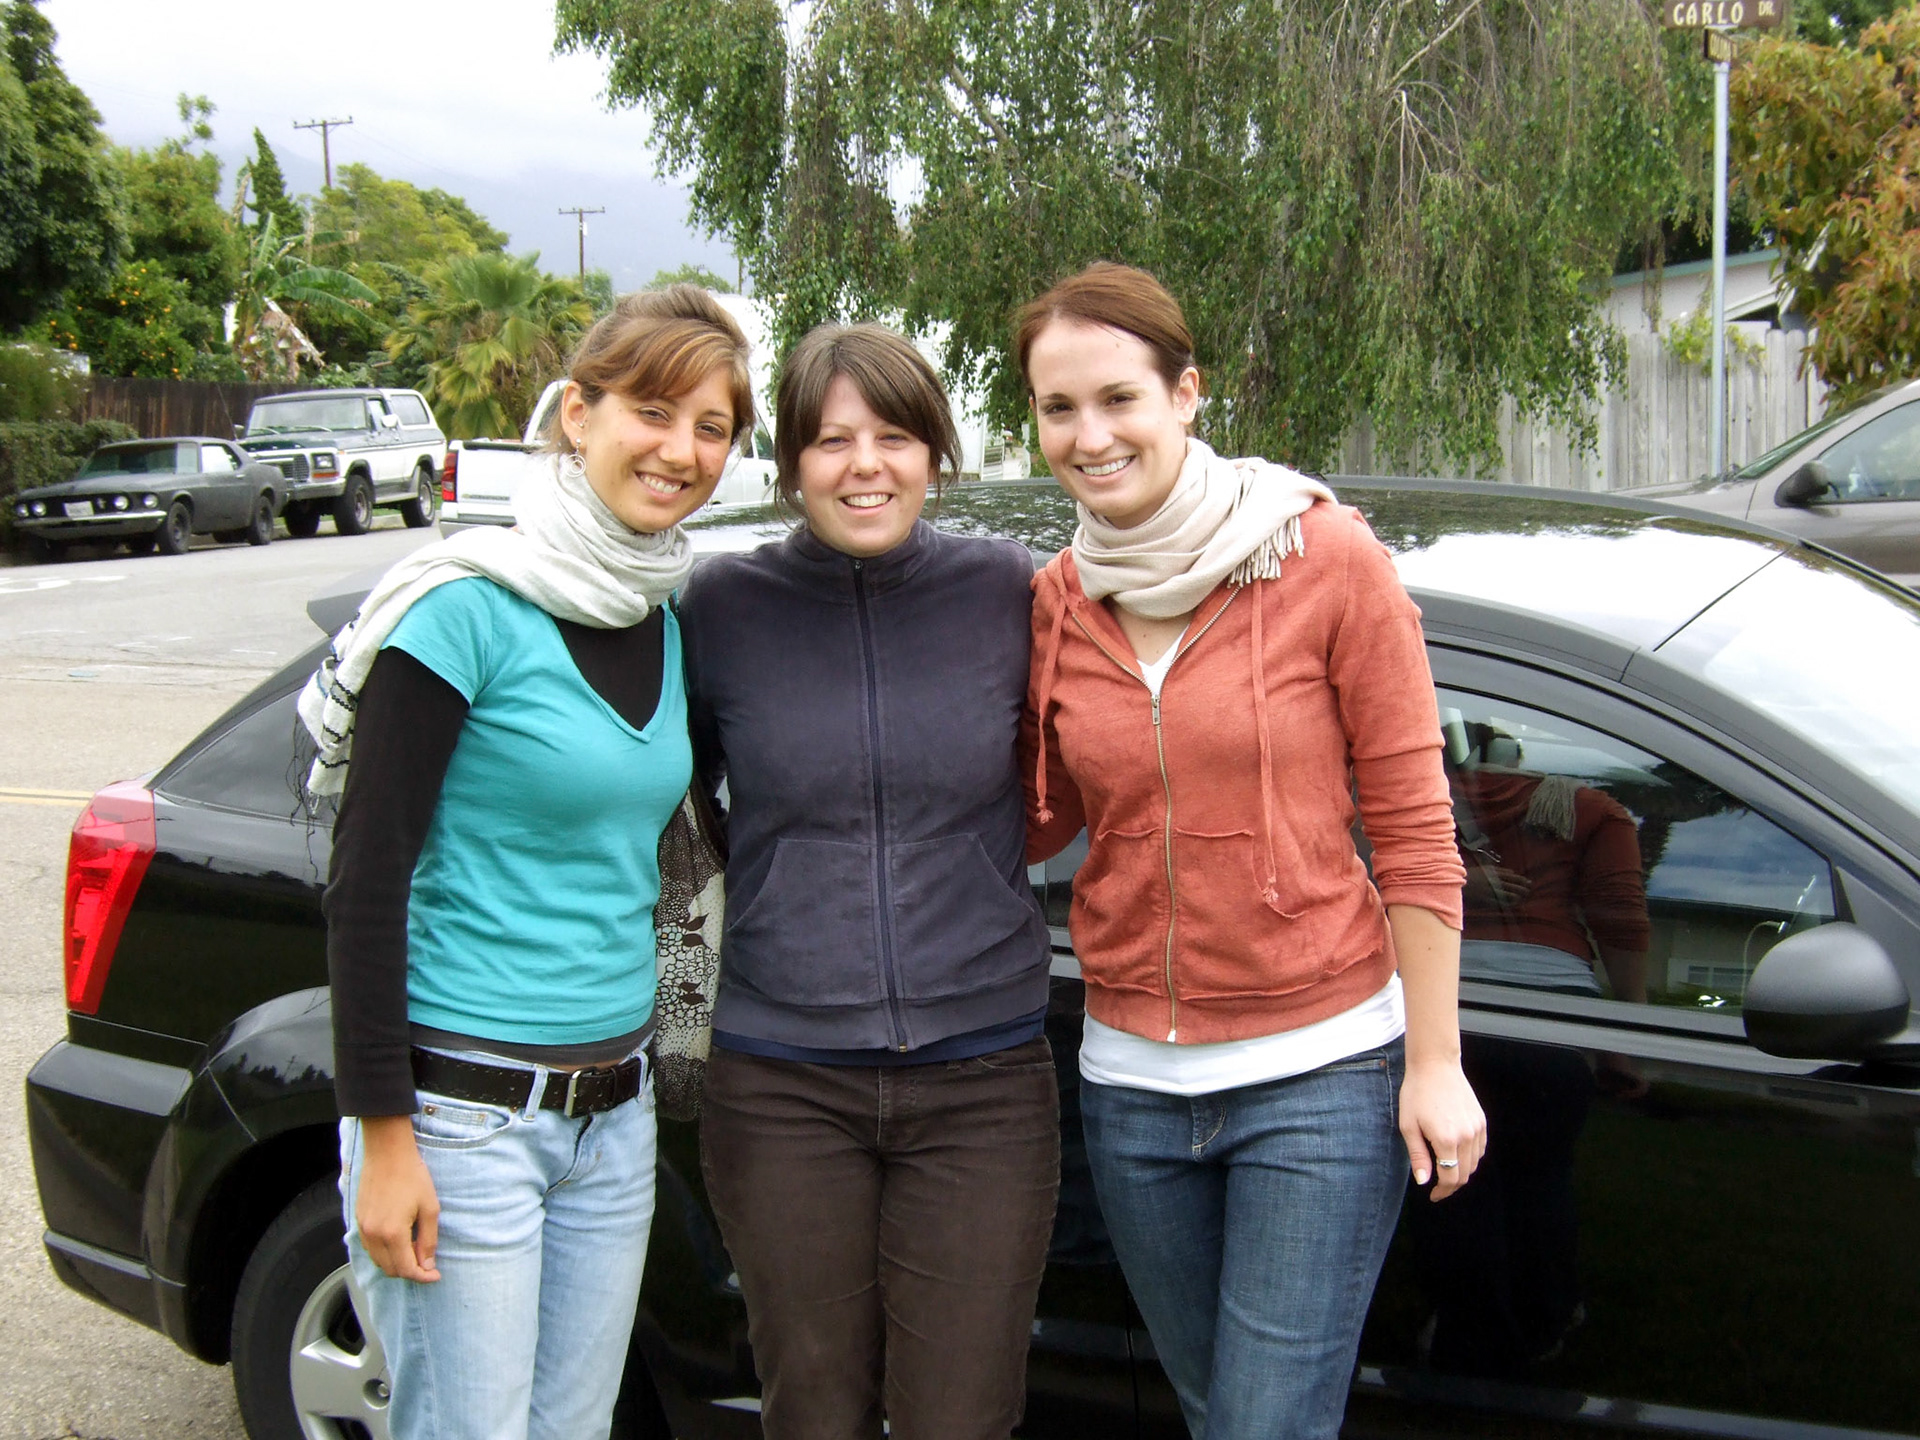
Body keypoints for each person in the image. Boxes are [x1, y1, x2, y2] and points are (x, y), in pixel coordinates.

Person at [1017, 262, 1487, 1440]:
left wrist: (1436, 1061)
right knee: (1216, 1409)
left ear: (1187, 394)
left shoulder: (1323, 557)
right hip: (1131, 1089)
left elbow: (1418, 833)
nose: (1090, 436)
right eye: (1057, 409)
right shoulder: (1059, 600)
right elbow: (1039, 817)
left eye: (1119, 399)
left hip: (1317, 1077)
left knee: (1265, 1426)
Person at [309, 284, 753, 1440]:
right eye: (654, 412)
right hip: (460, 1120)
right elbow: (364, 886)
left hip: (615, 1117)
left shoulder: (657, 612)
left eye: (712, 427)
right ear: (578, 415)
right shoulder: (462, 610)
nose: (681, 450)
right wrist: (386, 1141)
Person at [679, 322, 1059, 1440]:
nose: (866, 465)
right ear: (791, 460)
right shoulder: (719, 610)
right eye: (832, 439)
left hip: (982, 1078)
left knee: (962, 1417)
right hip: (782, 1081)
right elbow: (664, 800)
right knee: (813, 1411)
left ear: (934, 452)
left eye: (894, 435)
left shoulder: (1006, 593)